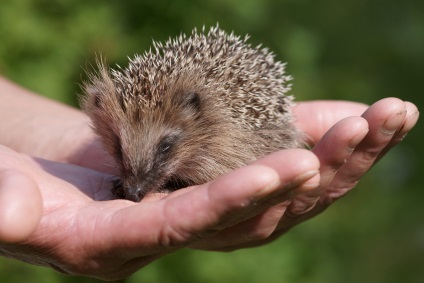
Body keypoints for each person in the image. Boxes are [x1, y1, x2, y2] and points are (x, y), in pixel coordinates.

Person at [0, 76, 418, 280]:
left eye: (164, 149)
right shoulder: (110, 116)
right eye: (125, 153)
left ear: (198, 119)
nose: (137, 182)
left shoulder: (220, 136)